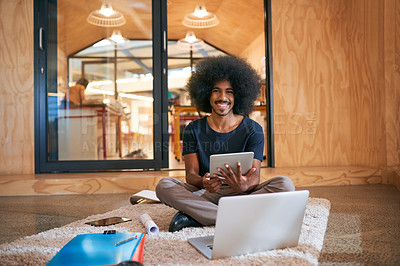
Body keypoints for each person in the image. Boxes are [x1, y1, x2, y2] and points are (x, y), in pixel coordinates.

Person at [155, 55, 295, 232]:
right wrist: (204, 182)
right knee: (164, 185)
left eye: (229, 91)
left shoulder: (253, 129)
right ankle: (238, 216)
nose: (223, 97)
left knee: (285, 184)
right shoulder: (193, 129)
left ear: (239, 95)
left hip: (243, 195)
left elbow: (255, 177)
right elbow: (191, 175)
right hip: (207, 194)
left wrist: (245, 185)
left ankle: (200, 216)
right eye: (216, 90)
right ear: (206, 94)